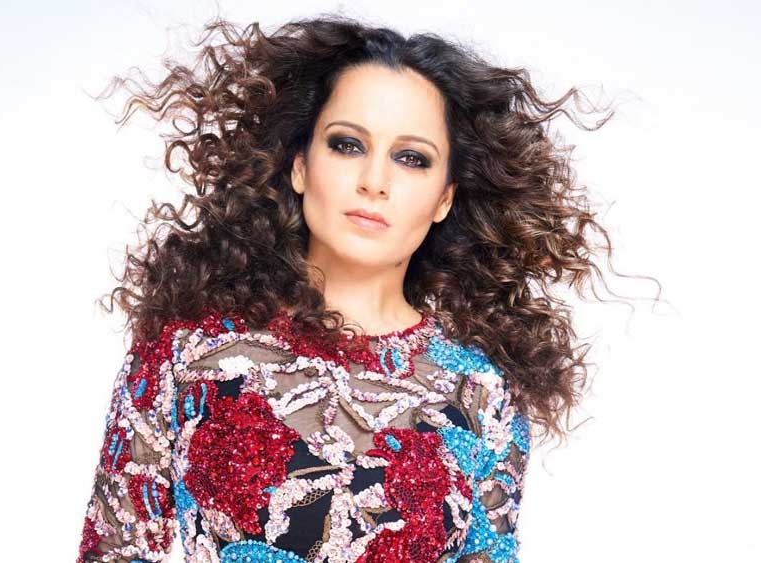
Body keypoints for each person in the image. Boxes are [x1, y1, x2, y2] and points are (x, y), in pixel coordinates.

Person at [77, 13, 644, 563]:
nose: (375, 181)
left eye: (411, 159)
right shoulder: (186, 352)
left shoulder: (483, 392)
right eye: (348, 144)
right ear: (300, 167)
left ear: (445, 198)